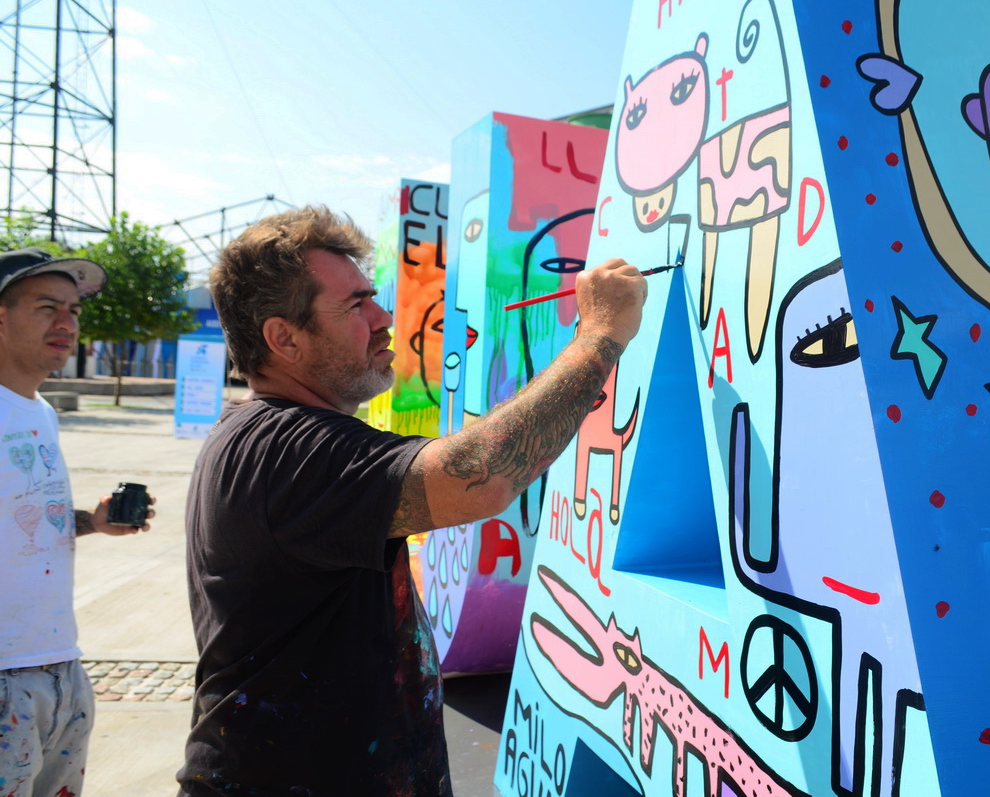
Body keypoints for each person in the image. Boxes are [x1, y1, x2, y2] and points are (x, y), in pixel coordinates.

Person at [177, 206, 646, 796]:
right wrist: (600, 335)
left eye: (373, 297)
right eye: (354, 305)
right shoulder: (287, 448)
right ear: (283, 338)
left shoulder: (268, 434)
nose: (383, 319)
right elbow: (480, 477)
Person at [0, 247, 155, 797]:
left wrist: (90, 520)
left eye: (73, 309)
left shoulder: (39, 411)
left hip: (60, 666)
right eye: (46, 307)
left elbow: (24, 515)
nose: (67, 323)